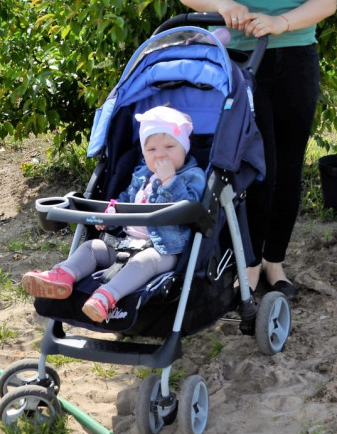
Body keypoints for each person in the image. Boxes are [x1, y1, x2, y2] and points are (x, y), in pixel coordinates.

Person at [178, 0, 337, 299]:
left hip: (293, 59)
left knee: (288, 166)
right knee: (250, 167)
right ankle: (243, 266)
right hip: (232, 64)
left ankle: (274, 263)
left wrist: (281, 22)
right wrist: (221, 5)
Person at [22, 106, 206, 322]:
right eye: (151, 150)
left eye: (169, 146)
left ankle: (105, 297)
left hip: (164, 250)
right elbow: (125, 199)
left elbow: (189, 207)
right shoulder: (142, 176)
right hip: (125, 243)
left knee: (143, 262)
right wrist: (110, 213)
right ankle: (63, 276)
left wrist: (169, 181)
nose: (160, 154)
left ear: (185, 147)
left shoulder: (192, 176)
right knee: (91, 247)